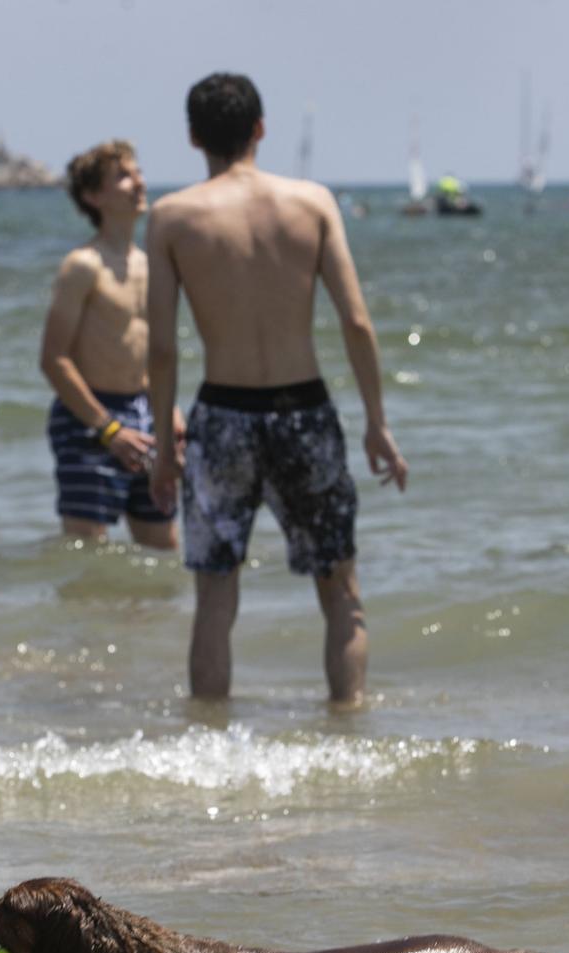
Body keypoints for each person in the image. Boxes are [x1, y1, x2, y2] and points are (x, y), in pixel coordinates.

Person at [147, 72, 408, 708]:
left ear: (192, 137)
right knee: (340, 590)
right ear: (261, 129)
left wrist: (162, 446)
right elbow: (356, 321)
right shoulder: (312, 203)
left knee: (215, 594)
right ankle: (347, 733)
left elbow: (159, 346)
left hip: (223, 419)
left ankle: (206, 749)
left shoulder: (171, 217)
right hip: (304, 413)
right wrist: (377, 421)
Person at [37, 140, 179, 550]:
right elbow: (53, 359)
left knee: (162, 549)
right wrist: (109, 429)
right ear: (92, 196)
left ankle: (150, 618)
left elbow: (149, 353)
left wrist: (169, 410)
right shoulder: (82, 265)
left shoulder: (150, 262)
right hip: (89, 418)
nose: (139, 182)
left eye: (138, 172)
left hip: (144, 413)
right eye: (123, 175)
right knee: (88, 551)